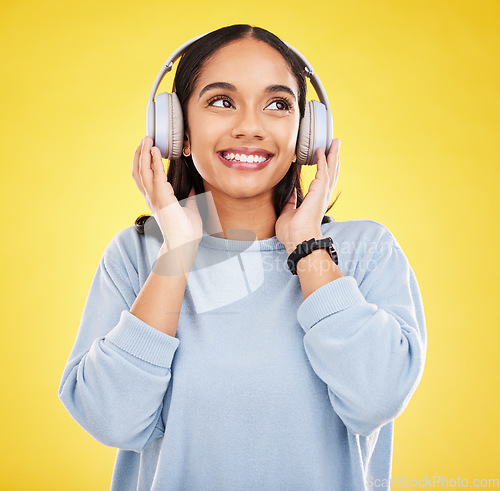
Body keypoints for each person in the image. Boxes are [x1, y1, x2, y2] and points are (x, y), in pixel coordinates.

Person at [58, 24, 427, 491]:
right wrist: (178, 251)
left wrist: (307, 248)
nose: (250, 126)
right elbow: (111, 420)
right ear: (178, 132)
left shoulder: (365, 252)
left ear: (306, 133)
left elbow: (377, 397)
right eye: (221, 101)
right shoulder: (137, 255)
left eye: (277, 105)